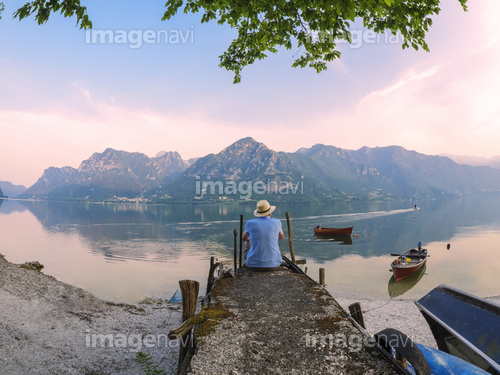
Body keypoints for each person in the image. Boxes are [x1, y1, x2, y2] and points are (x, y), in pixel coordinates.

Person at [242, 200, 284, 270]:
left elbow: (243, 238)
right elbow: (281, 236)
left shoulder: (249, 223)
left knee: (248, 241)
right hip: (274, 264)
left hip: (253, 265)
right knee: (274, 240)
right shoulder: (277, 222)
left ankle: (251, 258)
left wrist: (252, 238)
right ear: (270, 213)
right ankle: (273, 258)